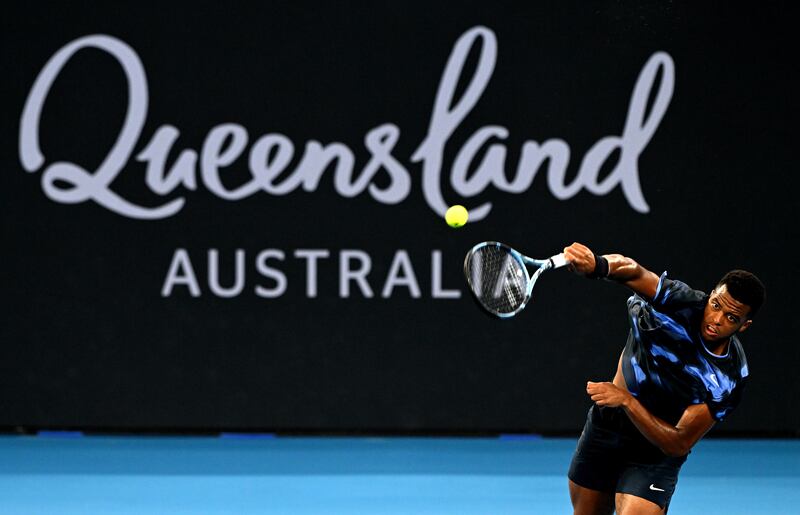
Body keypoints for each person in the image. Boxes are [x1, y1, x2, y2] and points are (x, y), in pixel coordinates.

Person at [562, 242, 766, 515]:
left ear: (745, 325)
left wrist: (627, 401)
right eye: (715, 305)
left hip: (655, 450)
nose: (716, 319)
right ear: (711, 296)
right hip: (607, 427)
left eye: (731, 317)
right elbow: (633, 271)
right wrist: (598, 265)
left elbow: (678, 443)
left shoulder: (728, 378)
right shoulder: (679, 301)